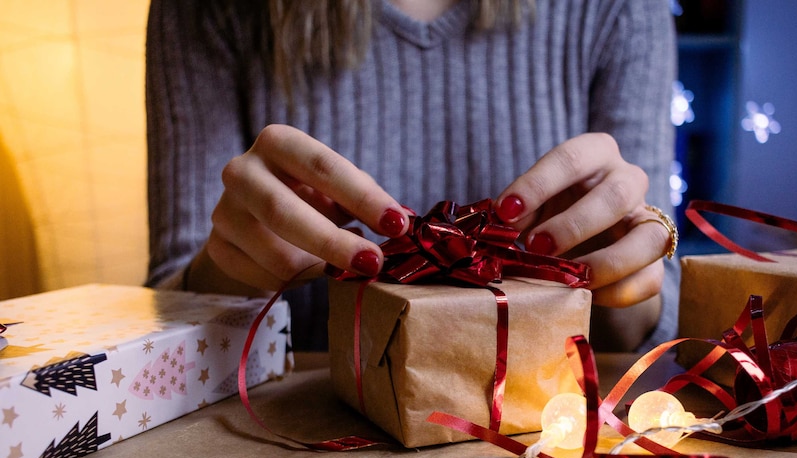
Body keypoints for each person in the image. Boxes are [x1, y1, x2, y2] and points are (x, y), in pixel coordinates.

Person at [144, 0, 680, 353]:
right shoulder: (207, 10)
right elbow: (169, 307)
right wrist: (233, 266)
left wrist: (622, 278)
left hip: (539, 441)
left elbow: (656, 318)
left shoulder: (622, 8)